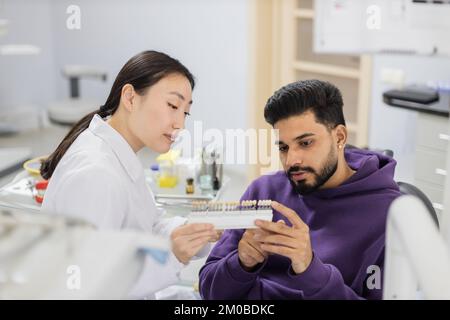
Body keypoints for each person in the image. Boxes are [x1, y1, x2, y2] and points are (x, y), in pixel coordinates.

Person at [199, 79, 401, 300]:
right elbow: (209, 290)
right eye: (284, 147)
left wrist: (310, 270)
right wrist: (241, 264)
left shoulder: (390, 216)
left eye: (305, 143)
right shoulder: (263, 192)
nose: (292, 160)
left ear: (340, 137)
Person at [40, 50, 220, 298]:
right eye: (172, 105)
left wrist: (191, 231)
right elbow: (89, 285)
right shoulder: (96, 175)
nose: (180, 123)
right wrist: (173, 258)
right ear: (130, 98)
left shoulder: (118, 153)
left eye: (185, 112)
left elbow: (149, 223)